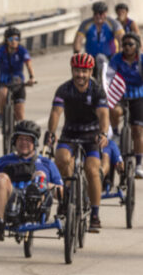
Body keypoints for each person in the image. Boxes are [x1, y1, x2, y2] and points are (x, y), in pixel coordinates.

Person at [45, 53, 110, 233]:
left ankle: (95, 214)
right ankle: (67, 197)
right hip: (70, 134)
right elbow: (56, 113)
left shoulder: (97, 90)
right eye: (77, 71)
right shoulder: (64, 90)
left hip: (91, 136)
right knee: (61, 159)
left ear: (90, 71)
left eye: (84, 71)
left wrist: (103, 133)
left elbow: (104, 114)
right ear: (72, 71)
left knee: (92, 170)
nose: (80, 75)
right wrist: (51, 132)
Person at [0, 121, 63, 240]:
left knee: (40, 175)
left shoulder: (46, 163)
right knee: (0, 177)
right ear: (14, 141)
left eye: (28, 140)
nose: (24, 143)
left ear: (35, 143)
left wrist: (47, 186)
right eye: (20, 139)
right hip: (9, 198)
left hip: (35, 205)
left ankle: (32, 198)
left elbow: (61, 191)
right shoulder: (3, 161)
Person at [106, 32, 143, 178]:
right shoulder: (116, 59)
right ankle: (115, 133)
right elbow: (109, 76)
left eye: (130, 44)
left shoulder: (141, 60)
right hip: (120, 96)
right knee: (114, 111)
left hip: (138, 97)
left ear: (137, 46)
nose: (127, 47)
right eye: (124, 44)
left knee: (138, 131)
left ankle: (139, 163)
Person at [0, 26, 37, 128]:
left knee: (20, 114)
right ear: (6, 40)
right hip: (4, 81)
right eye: (11, 39)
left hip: (18, 82)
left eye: (16, 39)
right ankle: (2, 114)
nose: (14, 41)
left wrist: (32, 77)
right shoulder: (1, 51)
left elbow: (28, 64)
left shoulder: (22, 50)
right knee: (3, 93)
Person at [73, 1, 123, 80]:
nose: (98, 16)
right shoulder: (86, 24)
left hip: (110, 56)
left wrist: (121, 55)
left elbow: (121, 40)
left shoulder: (113, 23)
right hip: (91, 57)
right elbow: (78, 40)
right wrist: (77, 53)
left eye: (101, 13)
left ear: (106, 13)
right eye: (96, 14)